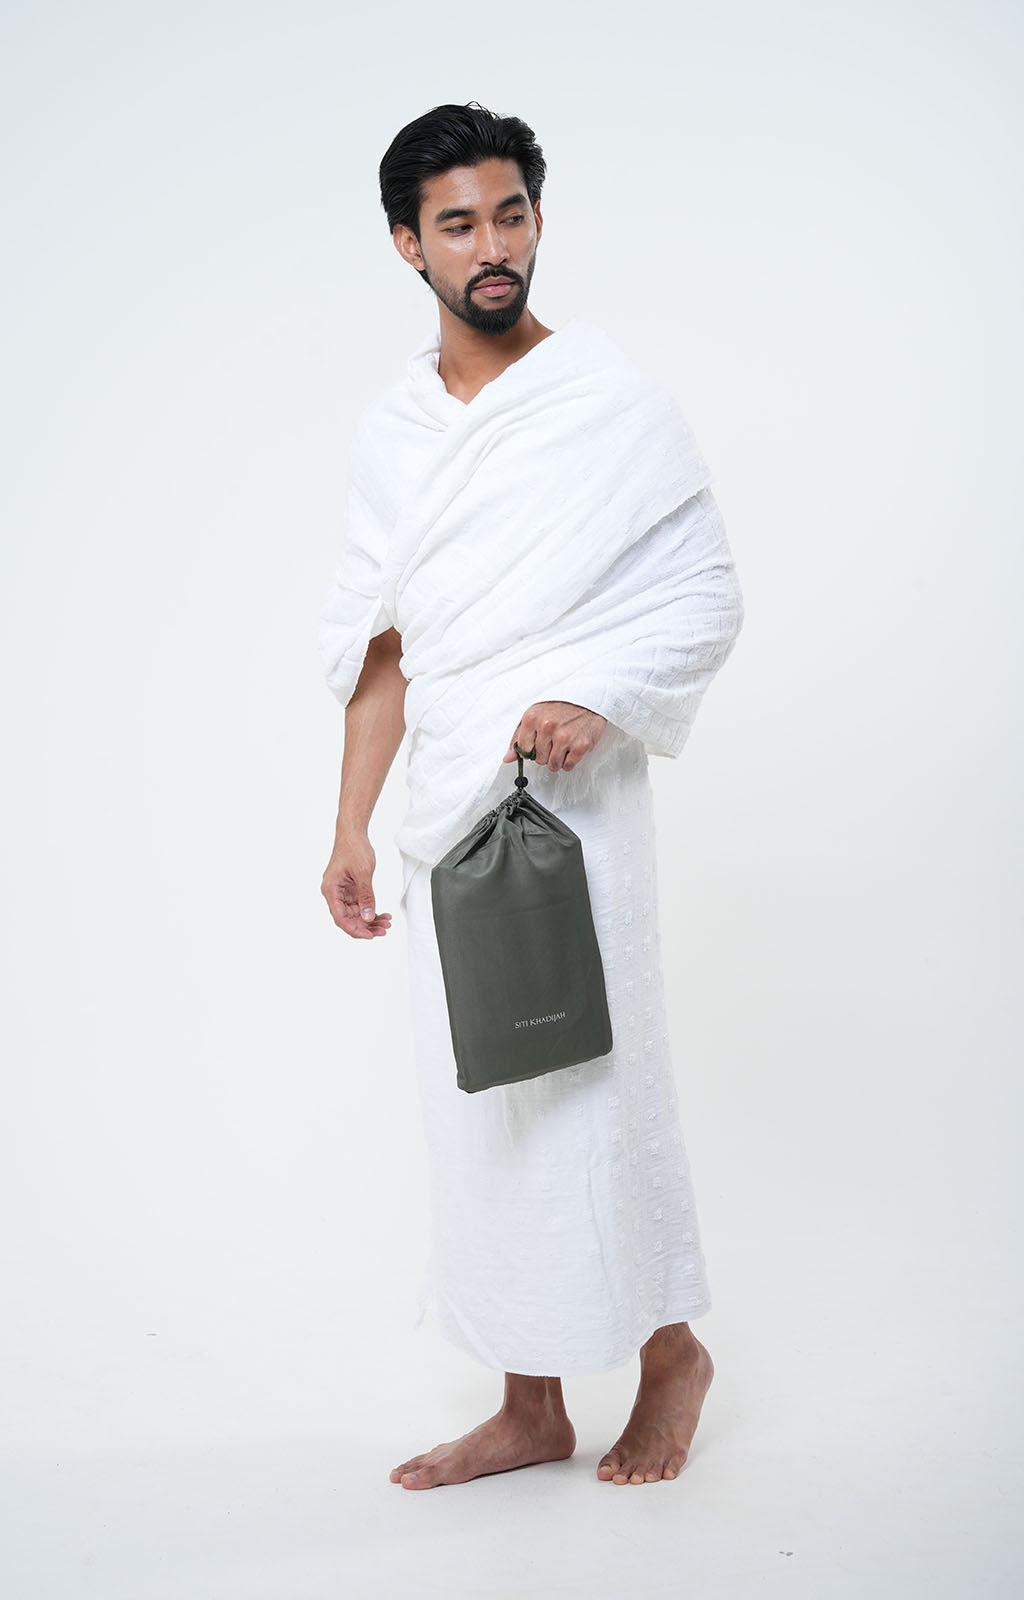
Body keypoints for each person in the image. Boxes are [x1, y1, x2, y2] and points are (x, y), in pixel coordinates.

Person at [317, 102, 744, 1491]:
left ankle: (670, 1354)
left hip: (574, 808)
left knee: (592, 1083)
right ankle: (532, 1402)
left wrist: (600, 696)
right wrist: (349, 829)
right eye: (459, 224)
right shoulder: (394, 432)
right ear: (409, 245)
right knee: (483, 1103)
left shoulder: (608, 402)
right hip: (447, 809)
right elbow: (384, 644)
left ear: (539, 220)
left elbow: (704, 596)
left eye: (511, 215)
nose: (492, 246)